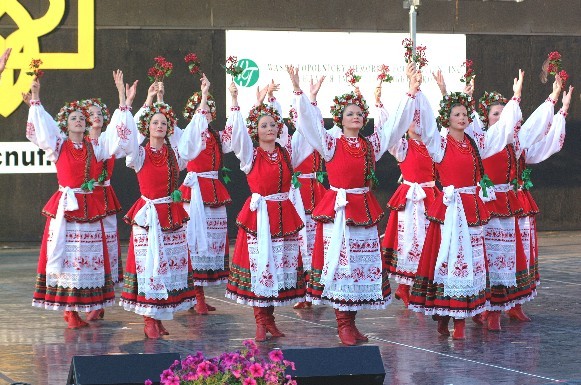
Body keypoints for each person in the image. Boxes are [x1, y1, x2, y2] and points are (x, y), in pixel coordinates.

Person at [288, 64, 420, 346]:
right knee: (342, 265)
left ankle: (353, 322)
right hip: (340, 210)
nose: (357, 117)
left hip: (363, 208)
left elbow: (396, 126)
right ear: (340, 118)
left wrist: (410, 91)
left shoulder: (370, 144)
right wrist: (302, 93)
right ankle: (343, 324)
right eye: (350, 114)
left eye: (360, 113)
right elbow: (309, 125)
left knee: (361, 266)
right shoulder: (330, 143)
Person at [409, 70, 525, 340]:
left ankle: (461, 321)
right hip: (450, 211)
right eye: (456, 115)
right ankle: (443, 315)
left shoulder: (477, 143)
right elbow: (425, 125)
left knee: (471, 265)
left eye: (465, 115)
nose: (462, 118)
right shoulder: (438, 143)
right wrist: (417, 90)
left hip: (471, 211)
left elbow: (502, 131)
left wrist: (515, 99)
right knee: (448, 263)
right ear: (447, 119)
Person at [27, 70, 135, 328]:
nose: (78, 121)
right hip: (67, 208)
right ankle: (69, 311)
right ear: (66, 124)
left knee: (87, 260)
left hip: (90, 208)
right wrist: (36, 96)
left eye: (81, 118)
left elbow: (117, 136)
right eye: (73, 118)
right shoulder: (58, 145)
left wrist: (122, 98)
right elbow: (41, 128)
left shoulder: (95, 147)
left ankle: (86, 305)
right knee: (67, 259)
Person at [120, 76, 211, 338]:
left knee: (169, 266)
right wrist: (130, 101)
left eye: (164, 123)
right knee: (150, 265)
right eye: (155, 122)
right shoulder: (138, 155)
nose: (159, 126)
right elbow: (126, 138)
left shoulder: (176, 154)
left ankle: (158, 316)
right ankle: (149, 319)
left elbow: (195, 135)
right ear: (147, 128)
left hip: (170, 215)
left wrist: (203, 96)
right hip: (149, 216)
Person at [225, 81, 306, 342]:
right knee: (261, 267)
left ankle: (270, 318)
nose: (270, 128)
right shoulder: (251, 155)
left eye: (273, 124)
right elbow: (238, 137)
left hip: (282, 214)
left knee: (278, 267)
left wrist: (302, 94)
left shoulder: (285, 151)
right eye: (264, 125)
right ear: (255, 131)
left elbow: (306, 133)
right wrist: (236, 102)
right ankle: (260, 321)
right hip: (260, 217)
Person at [263, 78, 329, 310]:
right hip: (296, 195)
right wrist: (270, 98)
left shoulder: (311, 139)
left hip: (315, 193)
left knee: (314, 242)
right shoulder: (287, 142)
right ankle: (301, 290)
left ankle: (314, 287)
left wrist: (311, 99)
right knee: (300, 243)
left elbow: (313, 125)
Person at [514, 84, 573, 320]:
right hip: (492, 206)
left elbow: (541, 138)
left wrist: (560, 108)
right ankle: (488, 306)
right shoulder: (488, 141)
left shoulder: (518, 144)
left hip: (518, 202)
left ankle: (515, 302)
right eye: (496, 114)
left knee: (521, 253)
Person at [177, 82, 233, 315]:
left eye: (209, 108)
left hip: (213, 190)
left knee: (211, 241)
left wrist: (250, 102)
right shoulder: (188, 134)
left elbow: (236, 133)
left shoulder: (217, 136)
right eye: (202, 108)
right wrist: (203, 95)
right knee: (195, 240)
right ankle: (195, 296)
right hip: (196, 191)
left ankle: (199, 294)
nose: (206, 111)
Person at [80, 96, 125, 321]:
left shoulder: (110, 140)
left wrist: (124, 99)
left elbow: (130, 128)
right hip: (85, 200)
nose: (96, 117)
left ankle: (100, 300)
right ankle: (87, 301)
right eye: (91, 114)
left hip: (105, 199)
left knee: (106, 251)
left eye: (99, 114)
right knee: (88, 252)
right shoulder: (80, 143)